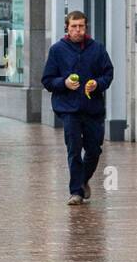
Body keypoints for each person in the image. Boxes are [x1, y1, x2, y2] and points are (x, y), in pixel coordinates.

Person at [41, 11, 114, 205]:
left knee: (94, 150)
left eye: (81, 26)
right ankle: (76, 192)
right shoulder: (57, 50)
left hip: (92, 108)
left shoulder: (97, 49)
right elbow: (47, 80)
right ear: (67, 27)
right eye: (74, 26)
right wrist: (63, 83)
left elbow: (108, 73)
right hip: (69, 109)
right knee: (74, 149)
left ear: (86, 27)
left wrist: (97, 84)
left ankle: (83, 181)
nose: (78, 30)